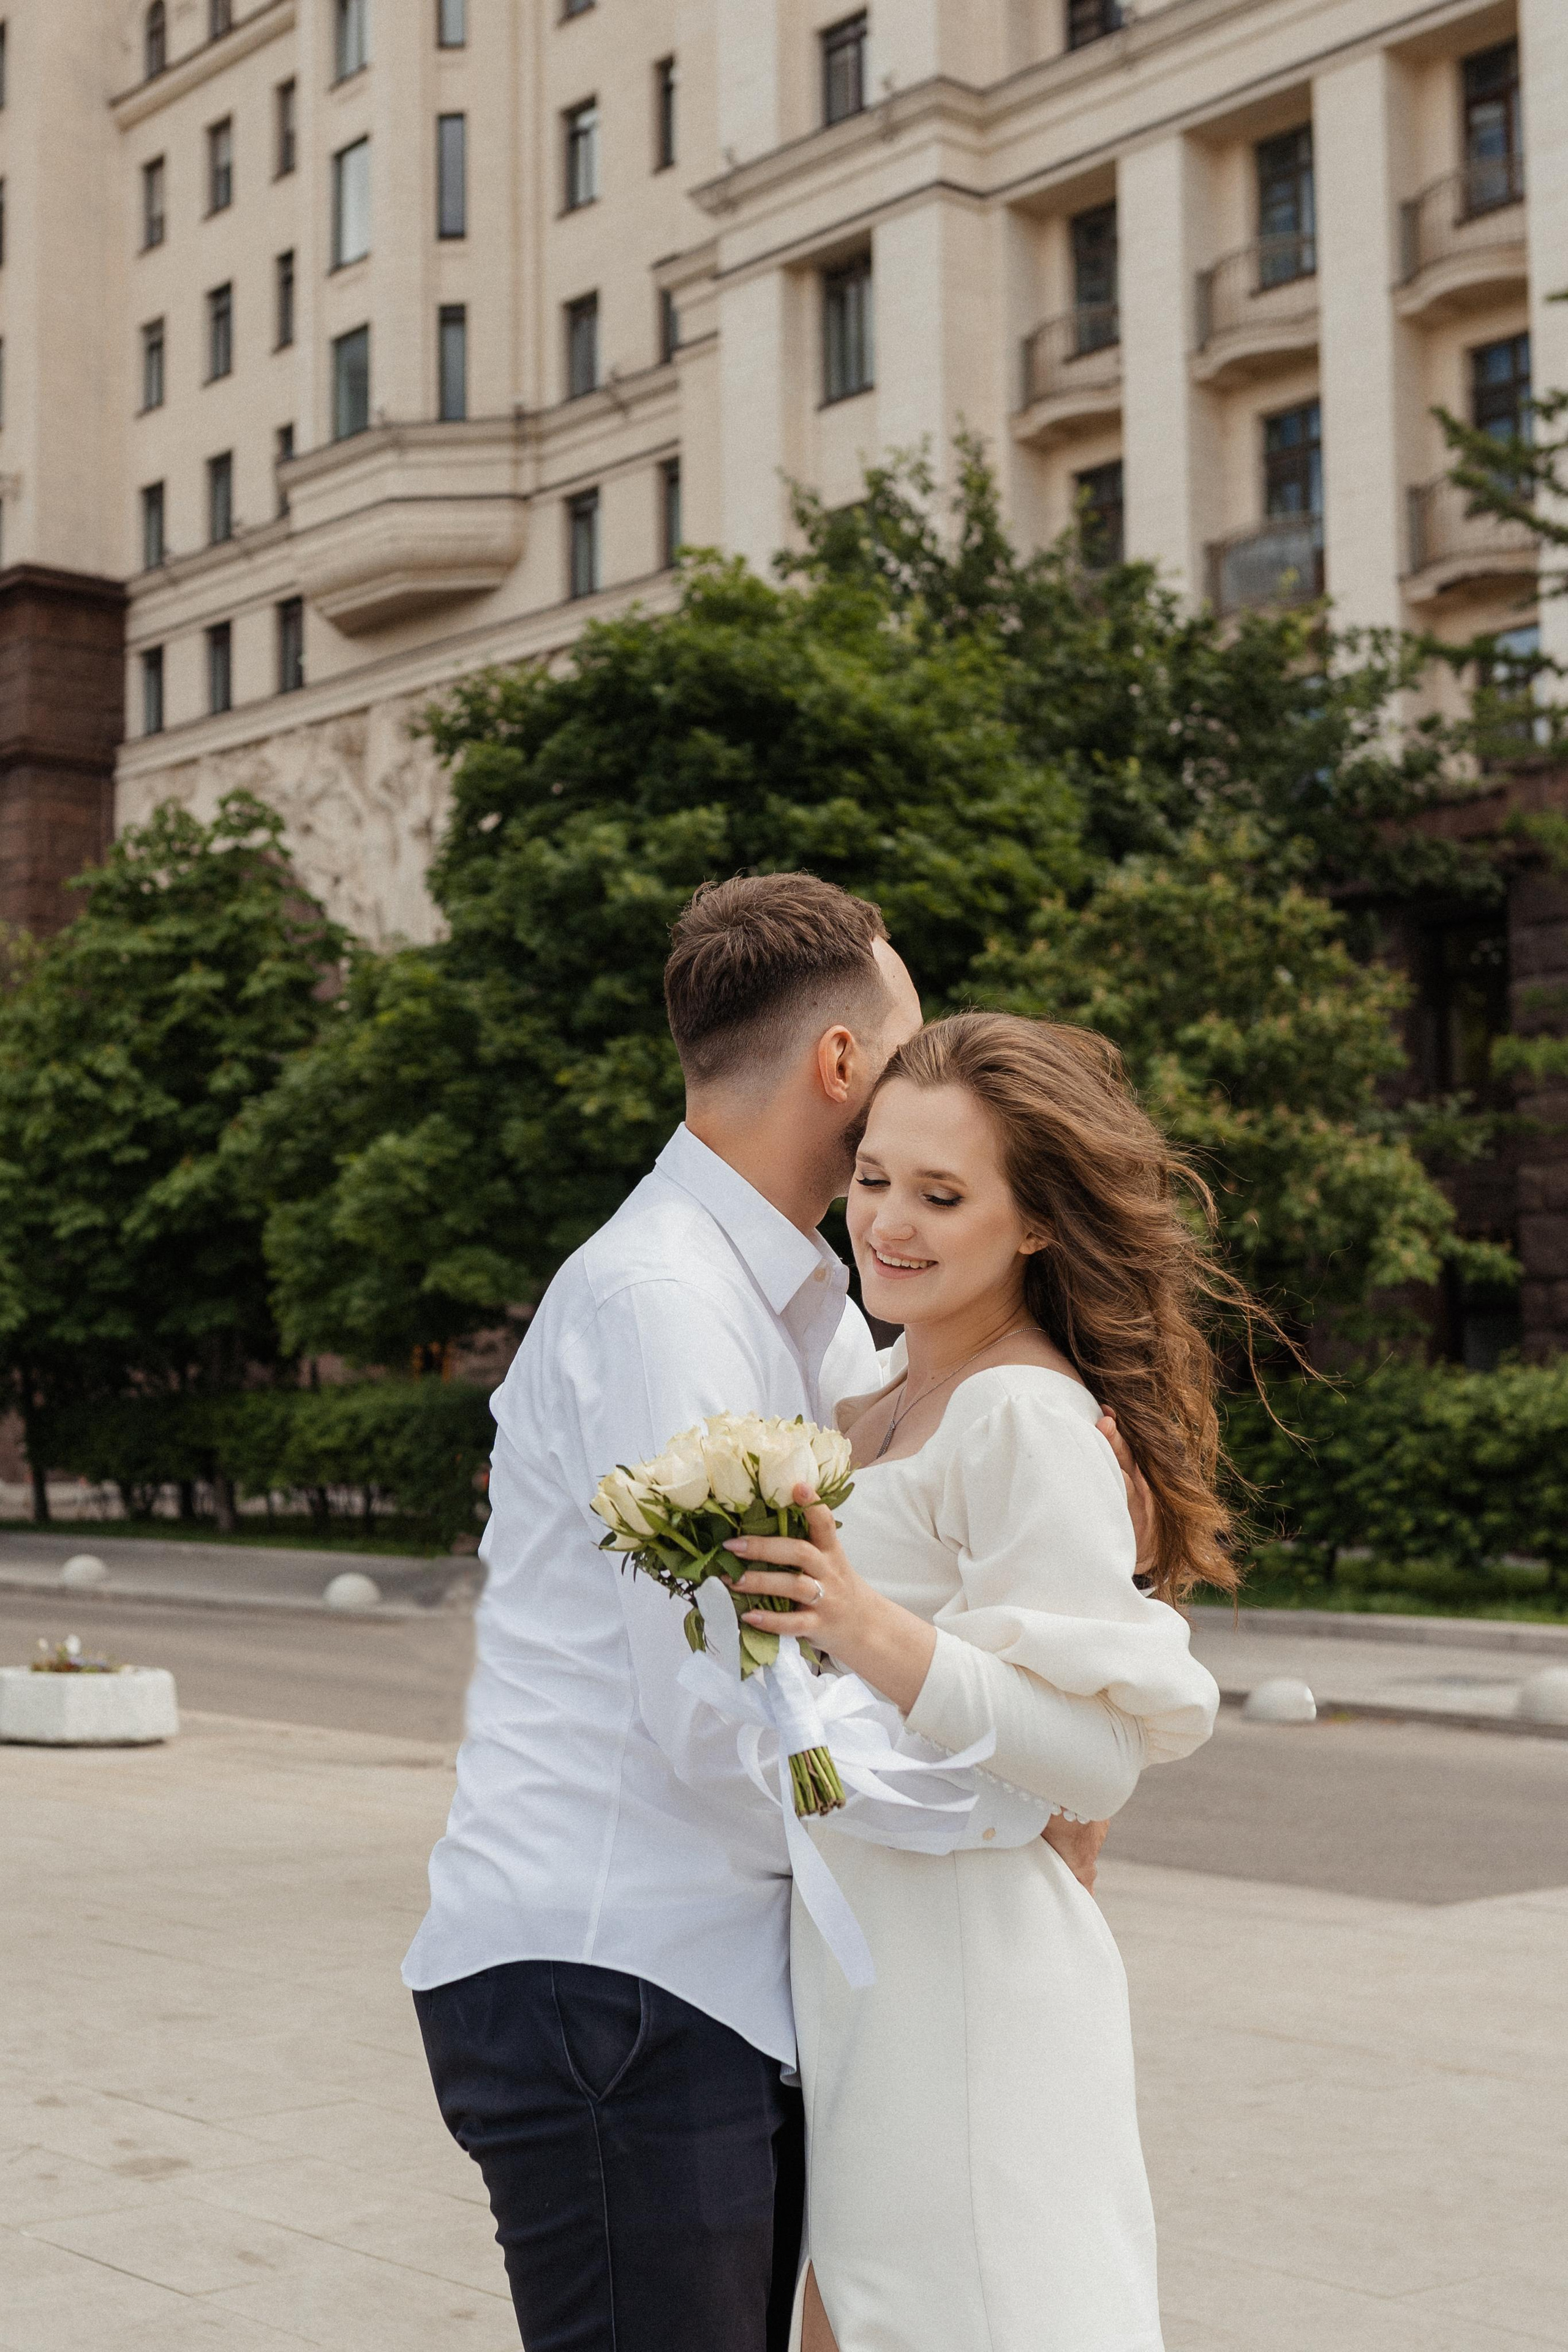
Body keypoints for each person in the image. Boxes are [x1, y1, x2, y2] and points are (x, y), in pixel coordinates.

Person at [403, 876, 1143, 2352]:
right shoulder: (663, 1304)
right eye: (907, 1040)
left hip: (700, 1990)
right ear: (841, 1069)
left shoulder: (801, 1322)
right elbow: (724, 1713)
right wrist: (1009, 1801)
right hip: (621, 1978)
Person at [720, 1011, 1227, 2352]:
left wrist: (859, 1622)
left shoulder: (1023, 1413)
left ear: (1036, 1223)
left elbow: (1095, 1759)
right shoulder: (867, 1406)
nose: (888, 1221)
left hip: (973, 1984)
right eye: (875, 1177)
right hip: (864, 1969)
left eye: (942, 1195)